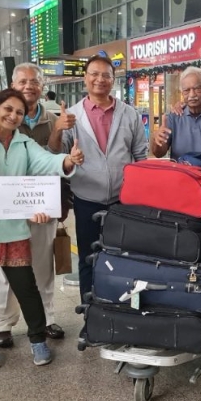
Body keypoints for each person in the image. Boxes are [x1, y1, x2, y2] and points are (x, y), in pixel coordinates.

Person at [0, 88, 83, 370]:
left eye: (19, 112)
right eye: (7, 109)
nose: (13, 116)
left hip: (13, 226)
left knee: (27, 287)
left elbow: (47, 162)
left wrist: (68, 160)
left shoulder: (24, 143)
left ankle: (37, 339)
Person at [48, 54, 148, 303]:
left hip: (122, 202)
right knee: (88, 258)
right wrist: (58, 130)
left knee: (124, 256)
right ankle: (90, 310)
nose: (100, 79)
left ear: (113, 80)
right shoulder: (71, 116)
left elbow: (140, 157)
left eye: (106, 75)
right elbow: (55, 155)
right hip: (86, 200)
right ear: (85, 78)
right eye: (94, 74)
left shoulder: (129, 114)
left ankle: (120, 308)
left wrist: (137, 197)